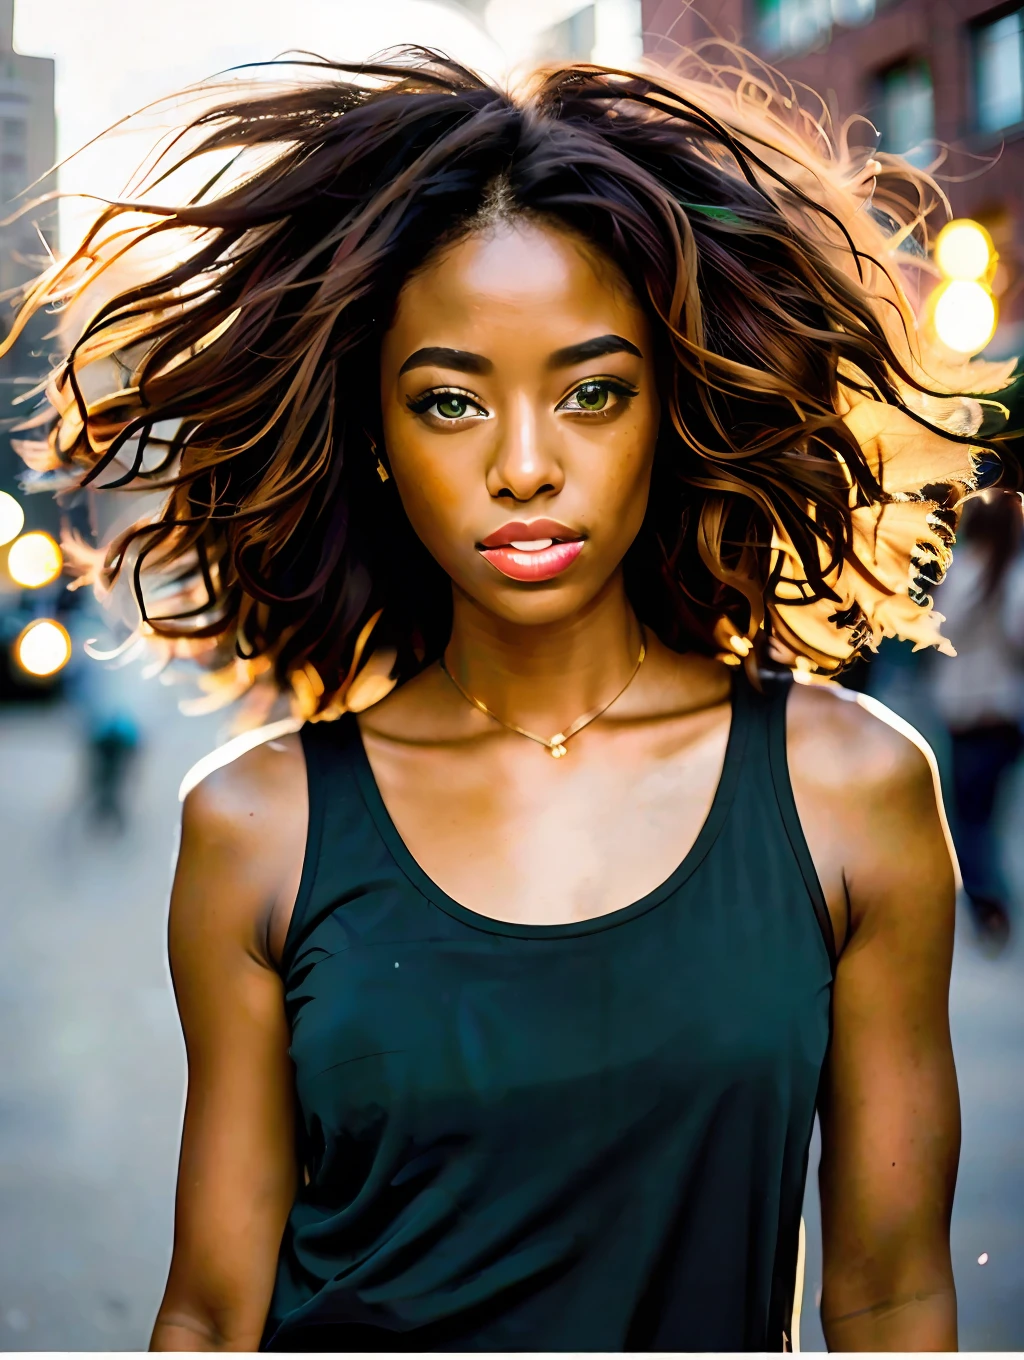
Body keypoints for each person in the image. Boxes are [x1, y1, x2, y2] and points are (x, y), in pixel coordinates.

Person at [6, 48, 1015, 1352]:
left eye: (593, 393)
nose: (526, 466)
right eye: (450, 402)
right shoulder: (258, 829)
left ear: (668, 407)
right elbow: (209, 1314)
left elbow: (891, 1296)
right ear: (376, 434)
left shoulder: (851, 795)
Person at [930, 490, 1024, 951]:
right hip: (999, 713)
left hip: (974, 714)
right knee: (983, 814)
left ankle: (987, 902)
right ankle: (989, 899)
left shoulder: (971, 571)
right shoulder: (1009, 575)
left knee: (972, 817)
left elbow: (939, 631)